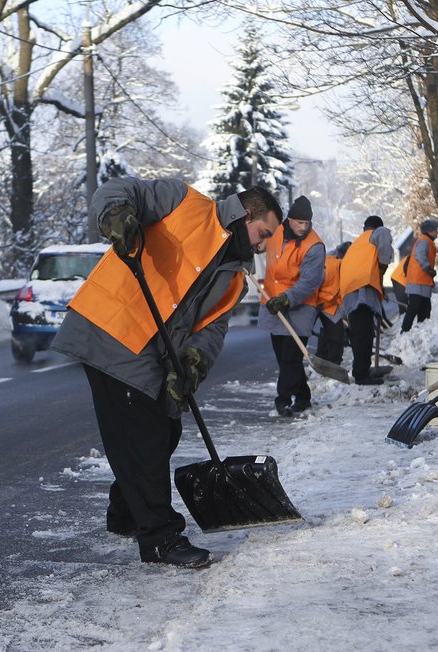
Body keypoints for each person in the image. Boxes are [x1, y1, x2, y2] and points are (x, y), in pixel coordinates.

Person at [52, 177, 282, 569]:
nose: (263, 244)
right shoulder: (184, 202)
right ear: (247, 214)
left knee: (167, 428)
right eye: (264, 233)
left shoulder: (234, 277)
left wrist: (193, 362)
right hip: (111, 328)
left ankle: (126, 511)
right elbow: (117, 191)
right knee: (145, 434)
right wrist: (116, 216)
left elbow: (212, 330)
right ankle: (159, 537)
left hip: (150, 350)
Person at [258, 195, 326, 417]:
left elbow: (310, 282)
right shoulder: (276, 231)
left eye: (306, 223)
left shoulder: (314, 246)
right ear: (289, 219)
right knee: (284, 357)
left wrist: (287, 298)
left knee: (291, 356)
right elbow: (259, 244)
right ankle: (303, 397)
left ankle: (283, 399)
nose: (302, 227)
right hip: (272, 302)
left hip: (300, 306)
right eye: (298, 222)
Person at [338, 215, 393, 385]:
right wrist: (383, 268)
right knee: (364, 334)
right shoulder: (377, 233)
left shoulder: (358, 244)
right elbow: (384, 238)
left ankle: (362, 369)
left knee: (360, 334)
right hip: (361, 290)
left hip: (350, 291)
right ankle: (361, 375)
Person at [314, 241, 351, 365]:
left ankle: (333, 363)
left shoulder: (346, 269)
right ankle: (319, 359)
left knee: (337, 333)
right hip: (313, 303)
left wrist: (346, 316)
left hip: (330, 306)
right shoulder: (328, 267)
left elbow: (341, 294)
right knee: (303, 331)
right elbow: (311, 286)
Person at [401, 219, 438, 333]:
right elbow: (420, 255)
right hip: (417, 281)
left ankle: (421, 332)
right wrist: (427, 268)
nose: (437, 232)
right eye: (435, 230)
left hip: (423, 282)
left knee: (425, 309)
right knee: (414, 308)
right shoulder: (423, 241)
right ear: (430, 231)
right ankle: (405, 331)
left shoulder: (428, 241)